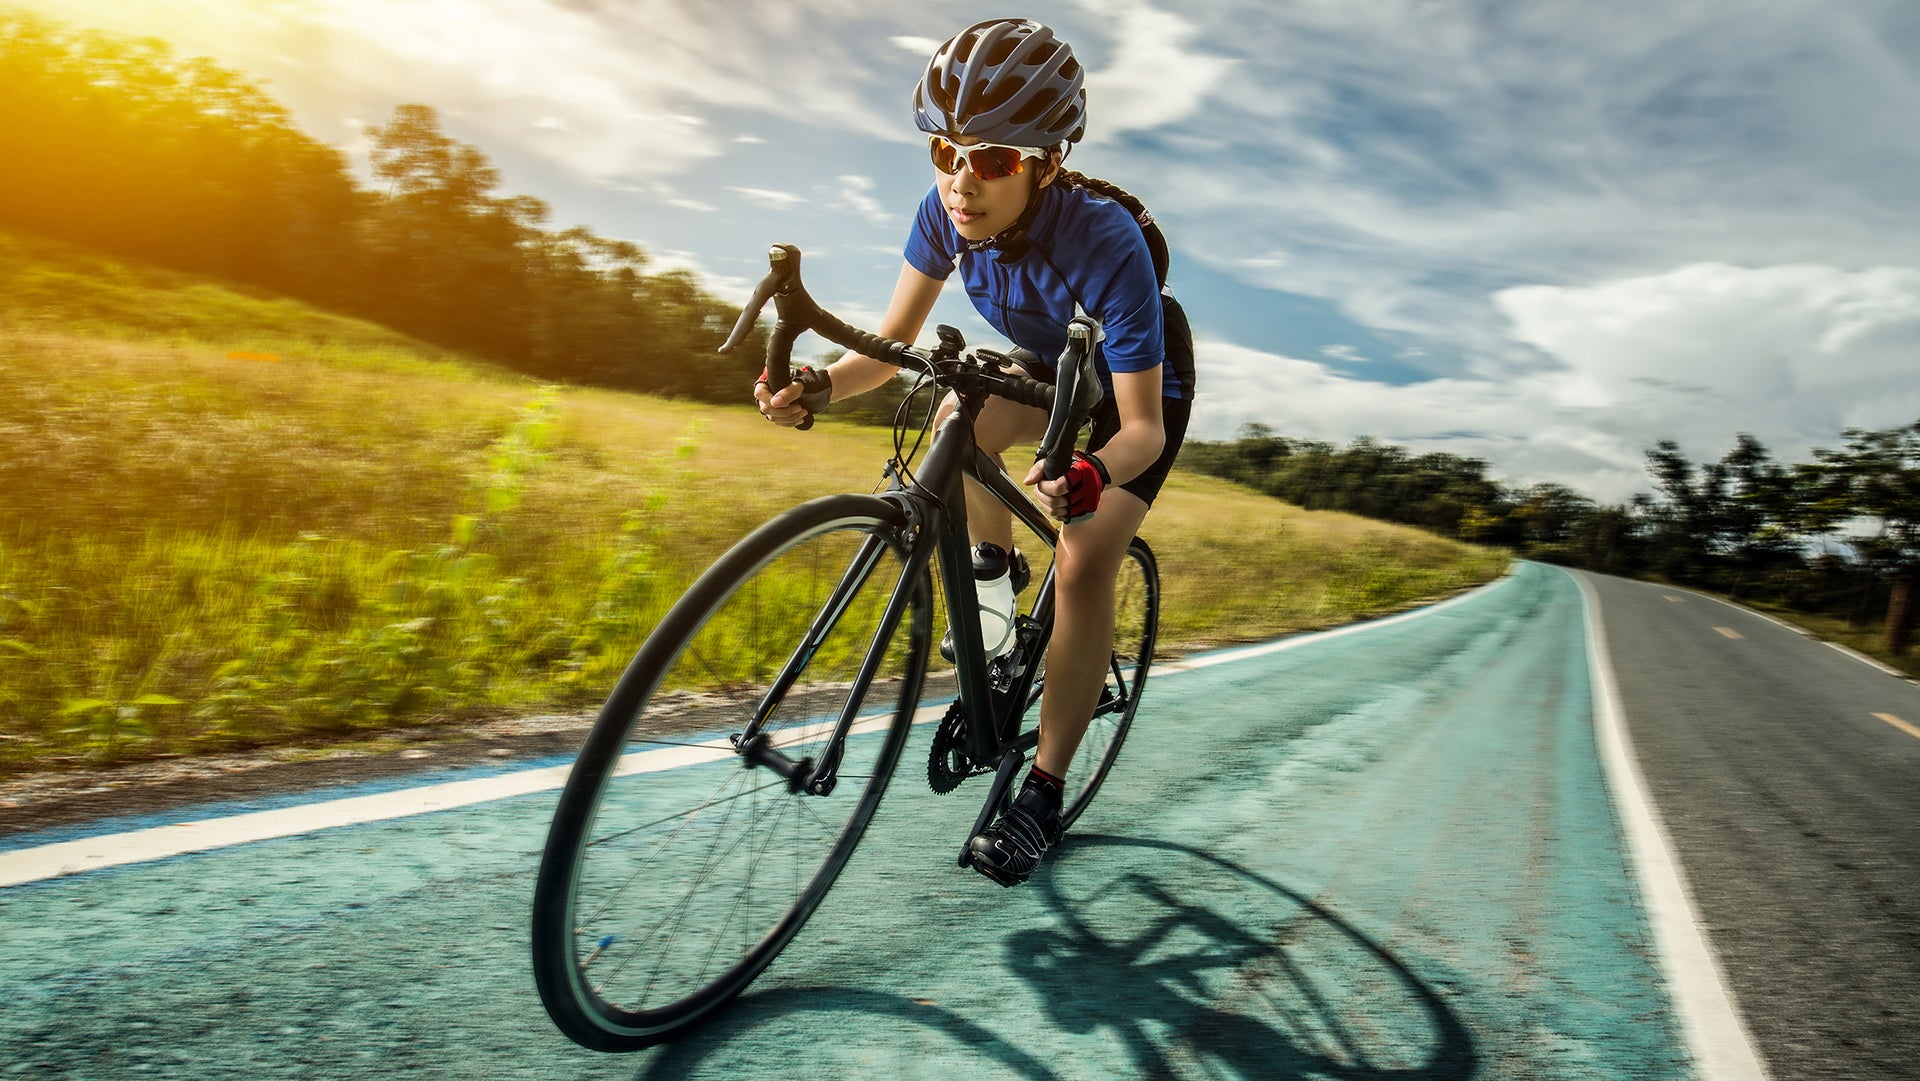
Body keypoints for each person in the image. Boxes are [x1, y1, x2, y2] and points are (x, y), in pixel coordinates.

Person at [755, 18, 1196, 885]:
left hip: (1136, 387)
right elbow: (887, 347)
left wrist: (1092, 471)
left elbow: (1139, 428)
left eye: (994, 159)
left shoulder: (1105, 242)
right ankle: (994, 592)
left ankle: (1043, 790)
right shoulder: (944, 214)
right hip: (1047, 357)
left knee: (1082, 559)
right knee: (951, 424)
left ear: (1046, 164)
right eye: (946, 151)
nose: (963, 180)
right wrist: (813, 392)